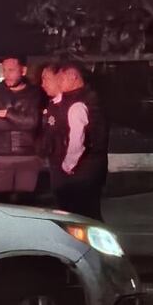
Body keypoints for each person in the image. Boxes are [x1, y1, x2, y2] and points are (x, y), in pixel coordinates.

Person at [40, 62, 108, 221]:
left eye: (62, 79)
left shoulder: (77, 104)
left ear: (73, 77)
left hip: (79, 172)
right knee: (87, 214)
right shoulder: (87, 99)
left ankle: (87, 245)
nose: (59, 82)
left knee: (78, 215)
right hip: (88, 168)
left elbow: (77, 140)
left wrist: (67, 165)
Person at [0, 57, 45, 204]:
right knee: (0, 202)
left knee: (26, 202)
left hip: (29, 153)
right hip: (1, 153)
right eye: (4, 70)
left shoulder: (35, 92)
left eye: (11, 70)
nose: (6, 74)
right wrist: (21, 123)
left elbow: (33, 122)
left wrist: (8, 114)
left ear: (23, 71)